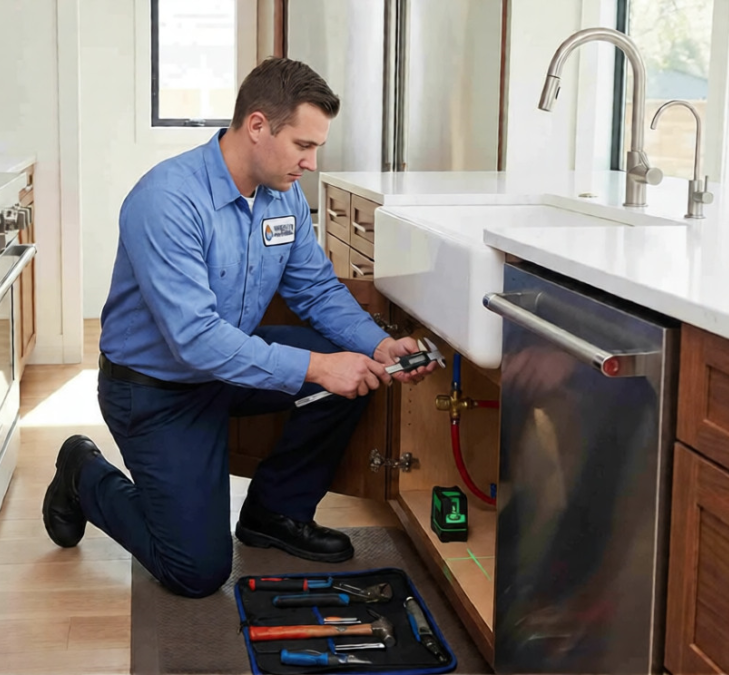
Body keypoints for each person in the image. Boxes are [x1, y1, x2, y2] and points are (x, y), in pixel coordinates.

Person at [42, 57, 437, 599]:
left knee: (356, 368)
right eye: (303, 145)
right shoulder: (168, 200)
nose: (312, 162)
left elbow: (316, 290)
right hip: (156, 391)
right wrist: (320, 367)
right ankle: (82, 471)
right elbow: (196, 339)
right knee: (197, 572)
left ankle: (275, 513)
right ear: (257, 126)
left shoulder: (283, 195)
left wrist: (379, 343)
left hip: (229, 369)